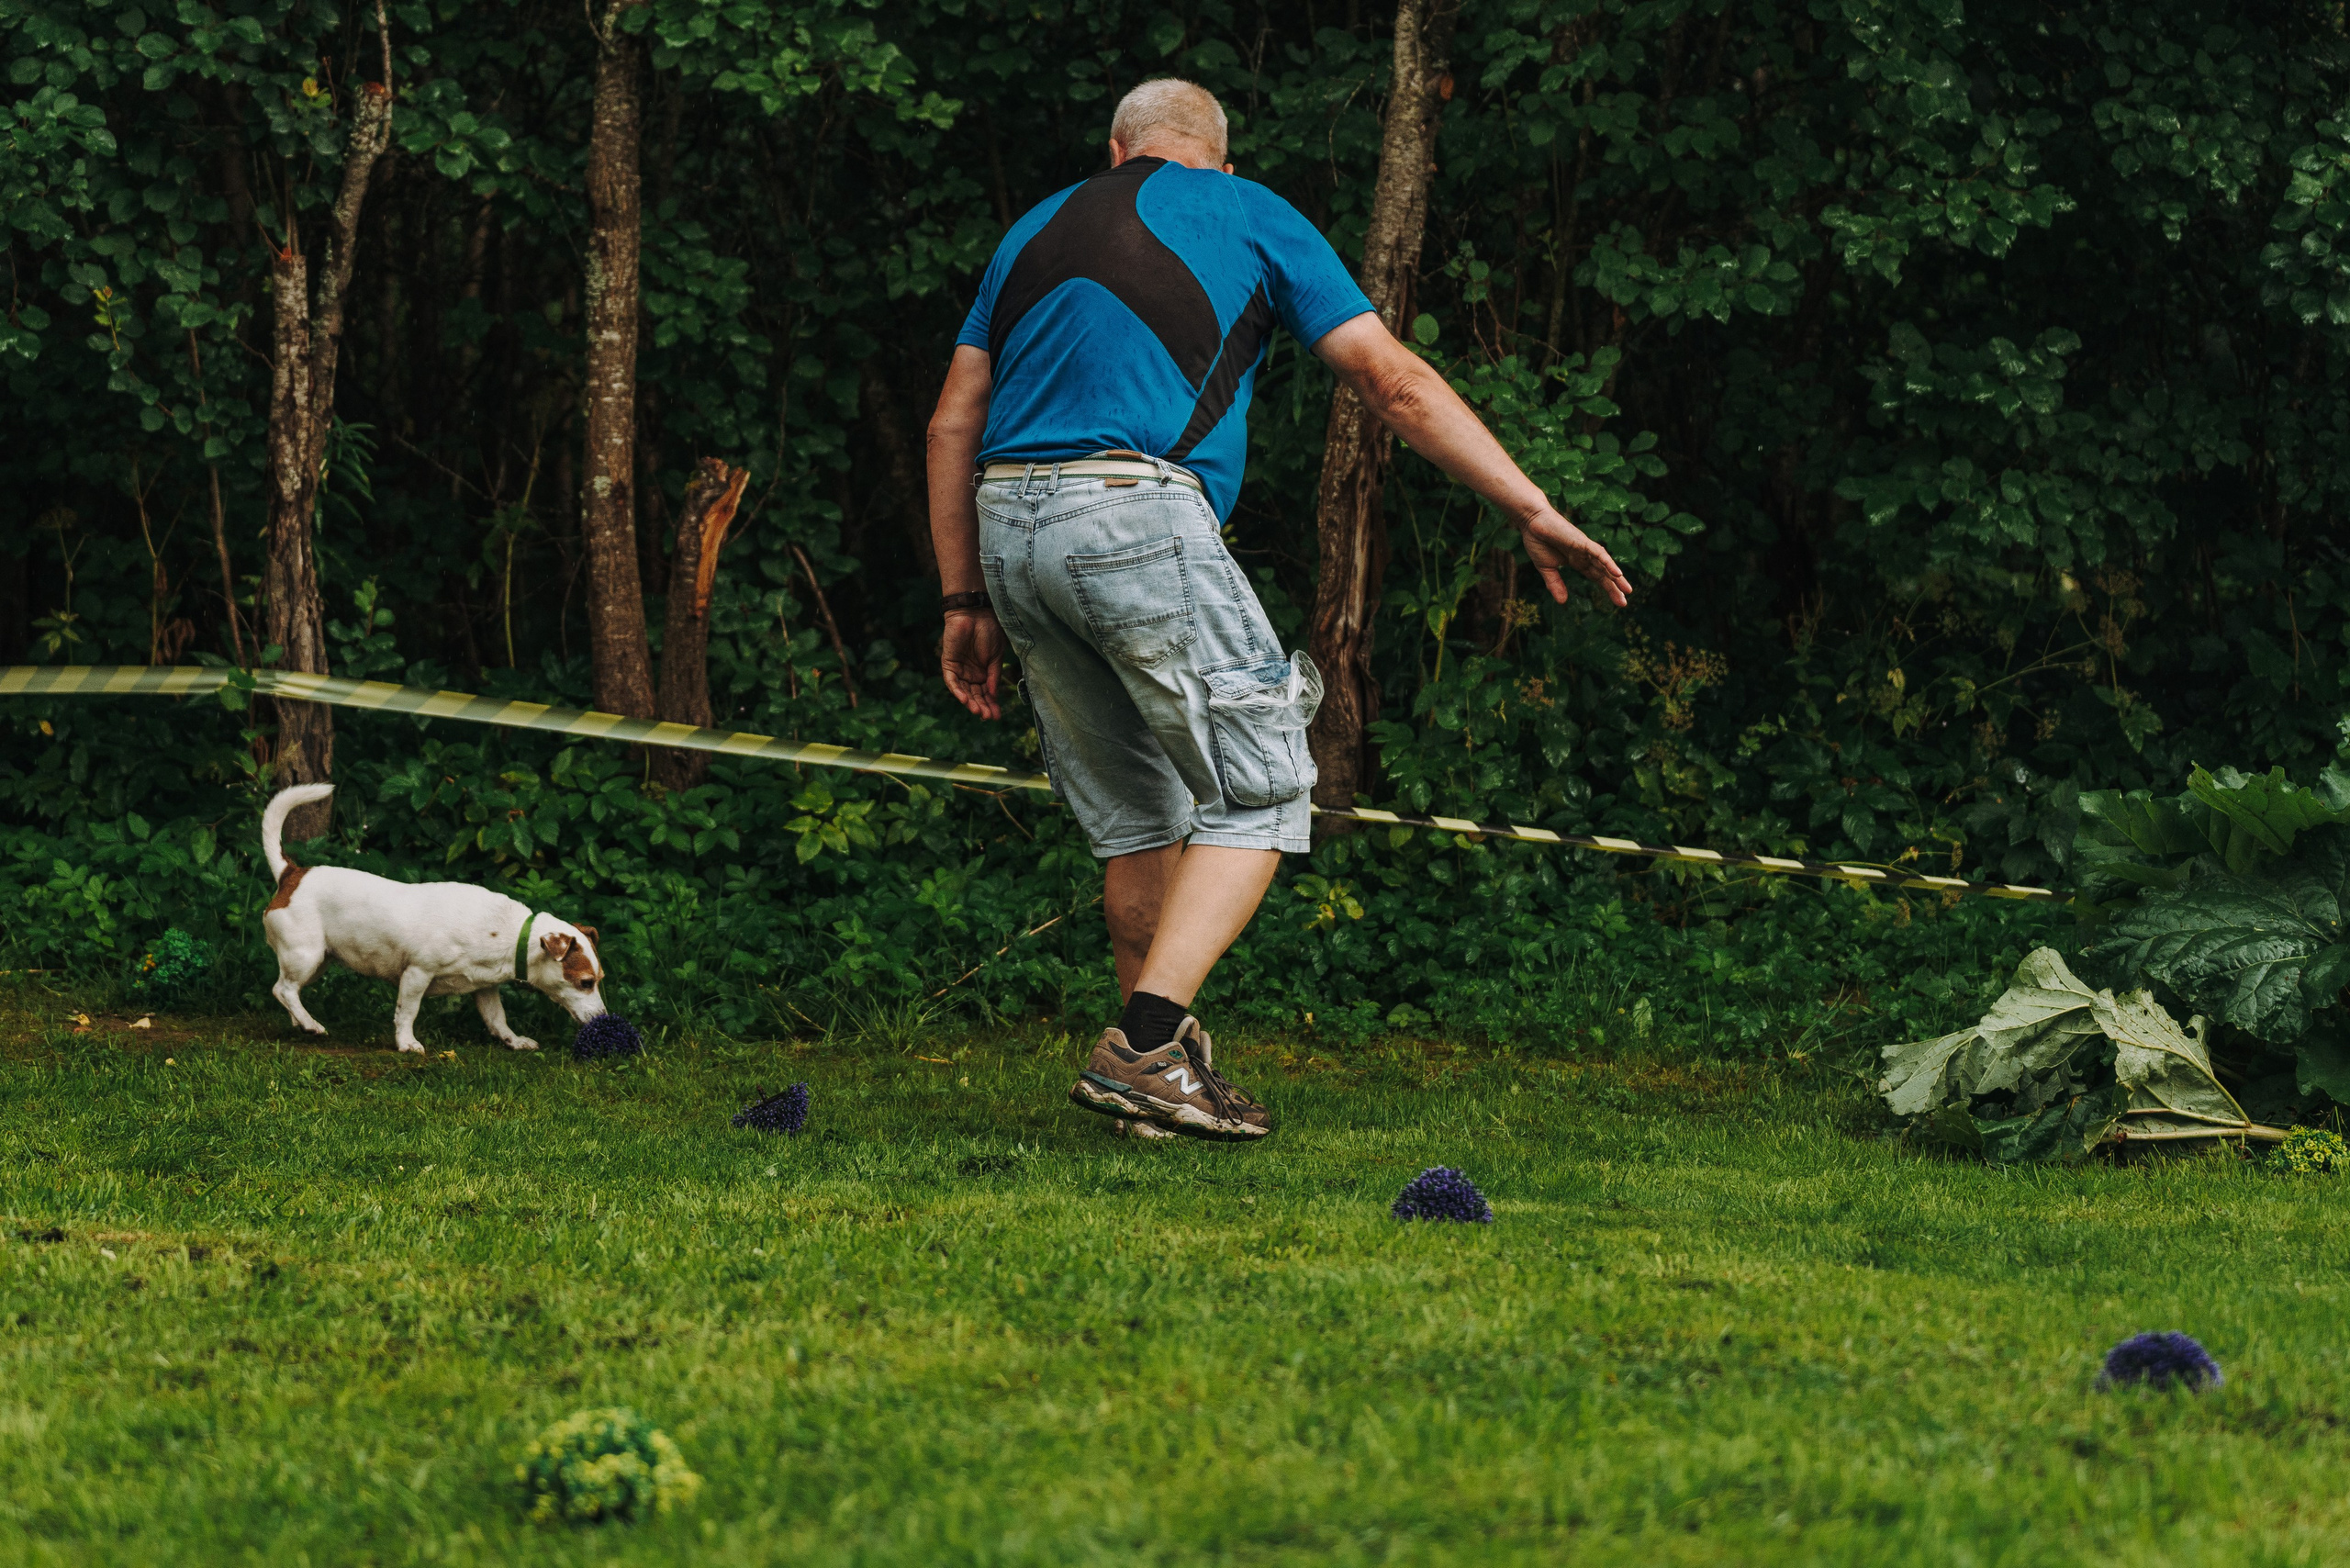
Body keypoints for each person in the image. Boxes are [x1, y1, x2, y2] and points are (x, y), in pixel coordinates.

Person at [925, 78, 1630, 1142]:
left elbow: (951, 424)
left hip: (1008, 527)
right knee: (1265, 787)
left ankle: (1149, 1099)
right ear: (1223, 156)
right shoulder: (1250, 210)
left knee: (1139, 827)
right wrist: (1528, 503)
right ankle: (1145, 1048)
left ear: (1115, 147)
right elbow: (1389, 382)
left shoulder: (1031, 229)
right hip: (1129, 510)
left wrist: (962, 596)